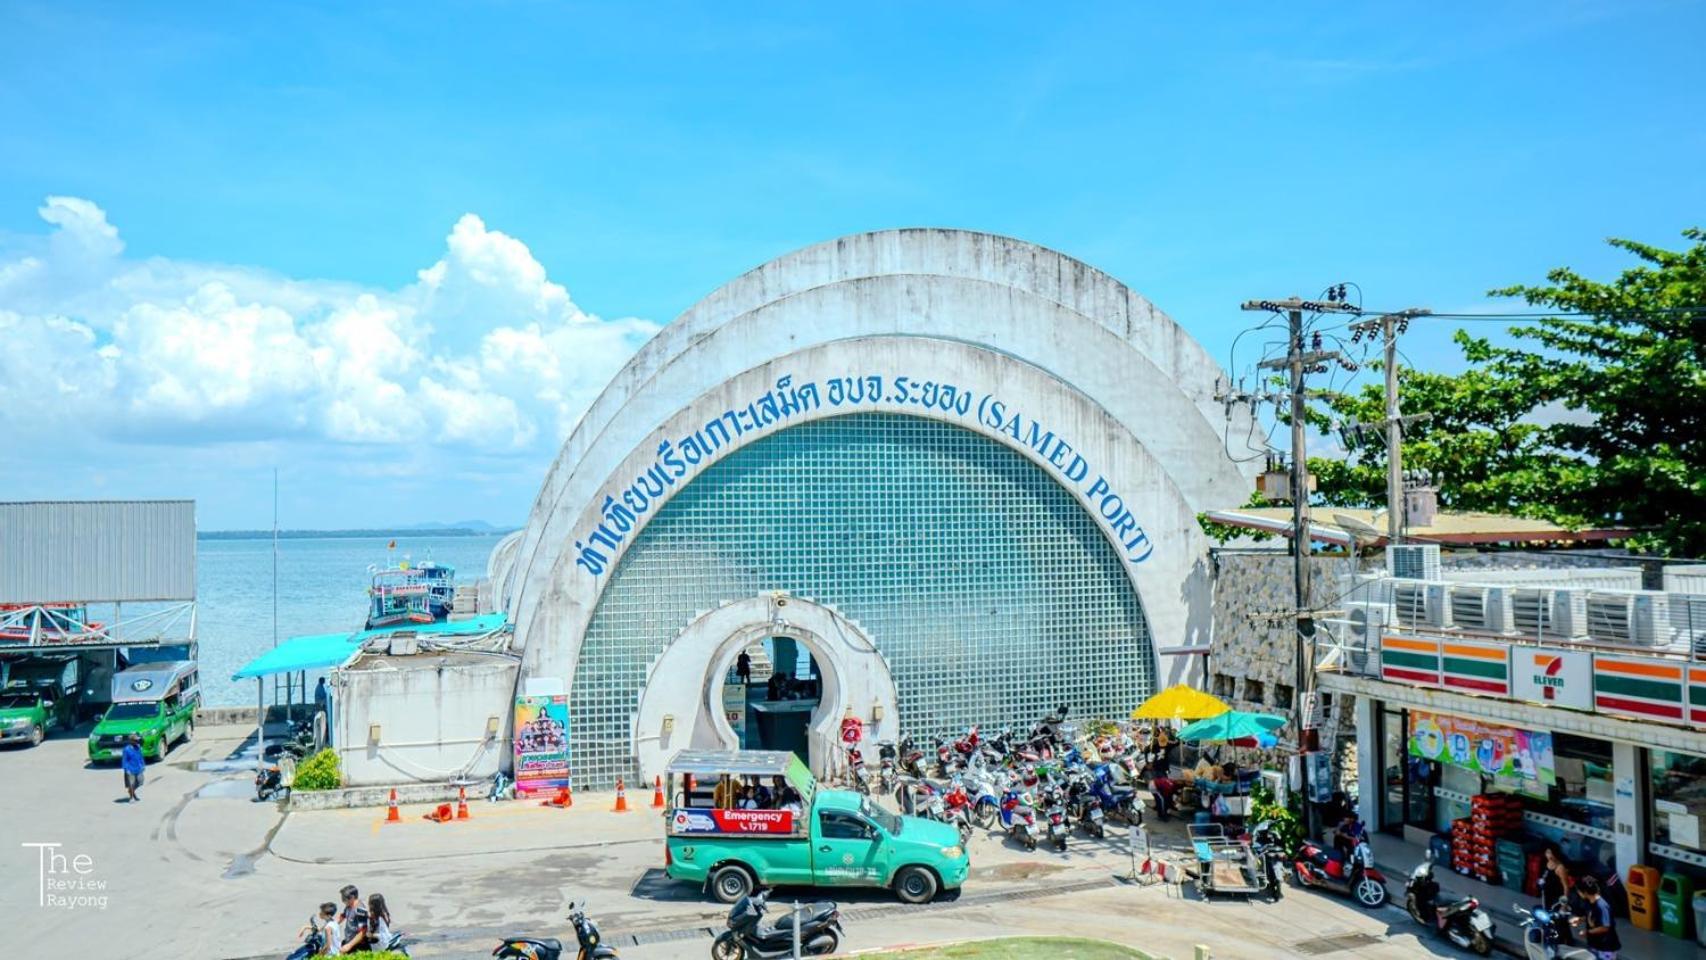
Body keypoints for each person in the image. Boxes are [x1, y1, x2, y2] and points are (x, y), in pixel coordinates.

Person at [1574, 875, 1620, 959]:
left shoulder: (1602, 906)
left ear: (1585, 892)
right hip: (1595, 943)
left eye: (1578, 891)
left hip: (1606, 946)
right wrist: (1580, 919)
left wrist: (1587, 932)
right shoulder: (1589, 901)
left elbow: (1605, 927)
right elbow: (1591, 915)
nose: (1578, 893)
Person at [1540, 843, 1575, 944]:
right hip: (1547, 898)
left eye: (1550, 853)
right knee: (1549, 919)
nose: (1548, 855)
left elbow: (1566, 887)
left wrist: (1564, 904)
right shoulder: (1547, 864)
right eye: (1547, 852)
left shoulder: (1560, 868)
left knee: (1560, 921)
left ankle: (1565, 941)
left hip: (1557, 899)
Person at [335, 884, 369, 955]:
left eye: (344, 899)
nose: (342, 901)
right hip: (349, 940)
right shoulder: (349, 906)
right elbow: (343, 915)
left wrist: (349, 945)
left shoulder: (360, 909)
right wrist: (332, 924)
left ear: (352, 897)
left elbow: (363, 931)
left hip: (358, 945)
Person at [120, 734, 146, 802]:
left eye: (137, 740)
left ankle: (131, 791)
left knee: (140, 781)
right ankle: (132, 797)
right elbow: (124, 760)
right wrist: (126, 769)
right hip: (130, 769)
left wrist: (143, 765)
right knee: (131, 783)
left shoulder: (138, 747)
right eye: (135, 740)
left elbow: (141, 757)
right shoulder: (126, 749)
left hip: (138, 767)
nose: (137, 741)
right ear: (131, 741)